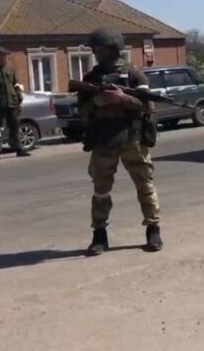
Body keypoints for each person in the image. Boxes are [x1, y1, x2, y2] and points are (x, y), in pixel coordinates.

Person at [79, 27, 163, 256]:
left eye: (99, 48)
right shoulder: (90, 79)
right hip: (103, 139)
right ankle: (99, 235)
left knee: (145, 185)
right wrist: (96, 102)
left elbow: (148, 106)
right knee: (101, 189)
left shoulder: (134, 75)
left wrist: (122, 98)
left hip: (132, 138)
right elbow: (82, 112)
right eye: (94, 49)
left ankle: (153, 229)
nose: (95, 53)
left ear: (113, 49)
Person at [0, 46, 30, 161]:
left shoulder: (10, 68)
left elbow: (16, 84)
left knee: (15, 127)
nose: (6, 58)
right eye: (3, 55)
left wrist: (19, 98)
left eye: (6, 55)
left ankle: (18, 149)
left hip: (12, 103)